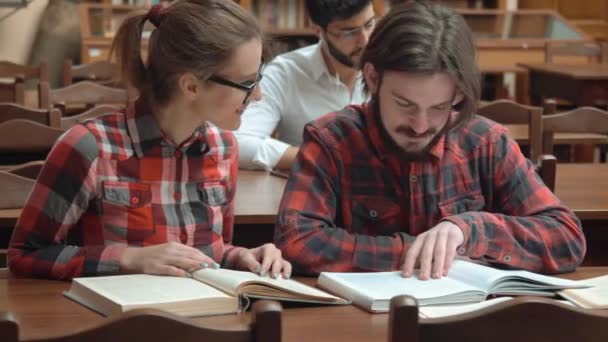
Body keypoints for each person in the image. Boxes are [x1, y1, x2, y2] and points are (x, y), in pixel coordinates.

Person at [275, 1, 585, 278]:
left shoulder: (486, 142)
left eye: (439, 107)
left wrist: (469, 230)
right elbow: (297, 241)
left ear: (459, 94)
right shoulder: (330, 141)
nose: (421, 126)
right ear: (372, 78)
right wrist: (416, 252)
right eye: (405, 104)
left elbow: (567, 239)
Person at [8, 0, 291, 280]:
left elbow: (207, 255)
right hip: (115, 321)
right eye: (247, 83)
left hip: (203, 318)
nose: (257, 96)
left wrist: (239, 256)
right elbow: (25, 254)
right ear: (191, 86)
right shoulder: (89, 147)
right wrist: (129, 258)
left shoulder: (224, 148)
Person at [235, 0, 375, 170]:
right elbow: (238, 142)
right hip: (315, 189)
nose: (365, 41)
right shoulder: (285, 72)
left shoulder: (392, 67)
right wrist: (323, 157)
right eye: (348, 32)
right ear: (318, 30)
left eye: (369, 24)